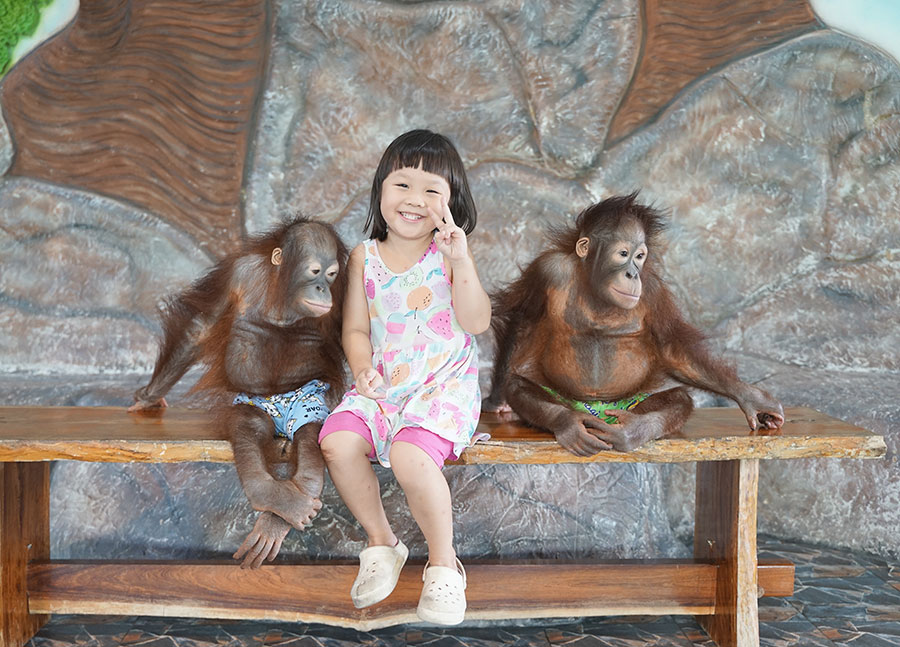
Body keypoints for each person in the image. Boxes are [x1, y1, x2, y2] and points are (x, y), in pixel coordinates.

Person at [318, 129, 490, 625]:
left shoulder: (450, 254)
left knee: (412, 456)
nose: (415, 200)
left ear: (452, 203)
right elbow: (354, 328)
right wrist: (362, 368)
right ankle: (383, 543)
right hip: (385, 384)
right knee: (337, 442)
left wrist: (461, 260)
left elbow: (477, 321)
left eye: (432, 190)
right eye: (403, 185)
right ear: (380, 191)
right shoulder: (363, 257)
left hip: (442, 386)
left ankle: (443, 563)